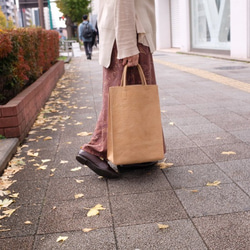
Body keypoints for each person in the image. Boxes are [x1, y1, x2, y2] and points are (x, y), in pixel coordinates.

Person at [76, 0, 164, 178]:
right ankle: (95, 149)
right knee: (122, 99)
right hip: (131, 38)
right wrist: (128, 46)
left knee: (128, 99)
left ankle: (136, 154)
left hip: (126, 36)